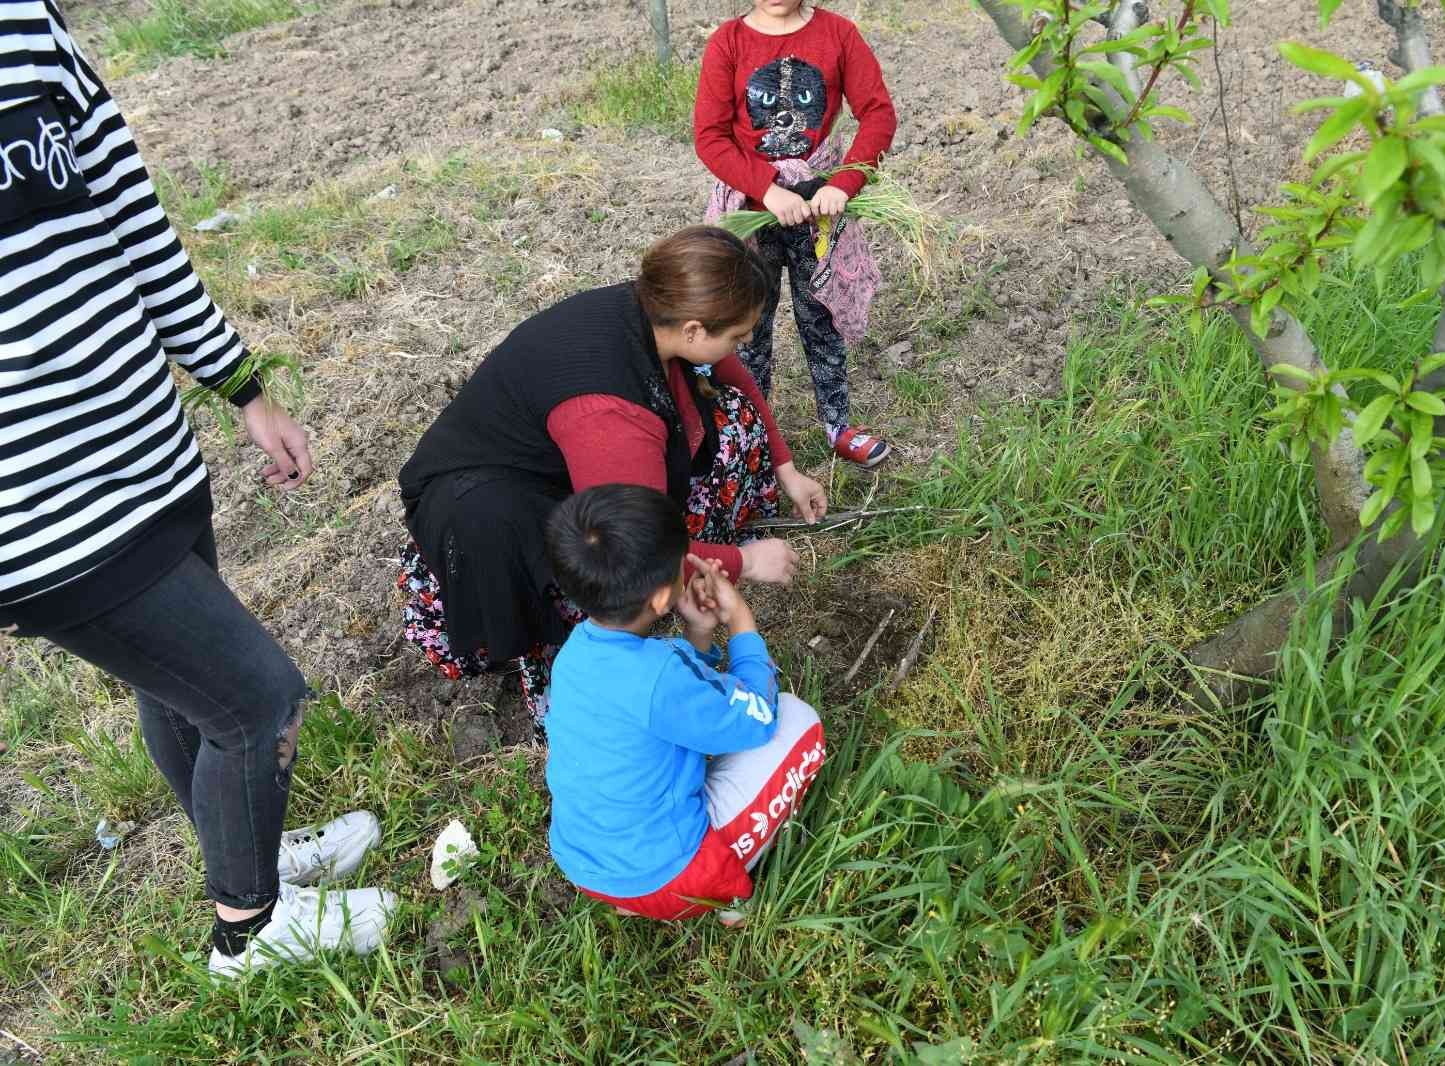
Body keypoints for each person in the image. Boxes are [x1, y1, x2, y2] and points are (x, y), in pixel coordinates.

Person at [0, 1, 393, 978]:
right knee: (259, 703)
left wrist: (240, 386)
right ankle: (248, 929)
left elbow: (130, 218)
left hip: (143, 440)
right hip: (34, 505)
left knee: (180, 691)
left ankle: (249, 855)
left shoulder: (25, 19)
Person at [395, 226, 828, 731]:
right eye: (738, 334)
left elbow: (731, 369)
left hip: (569, 462)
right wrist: (746, 562)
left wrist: (786, 467)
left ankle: (698, 545)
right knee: (598, 568)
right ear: (693, 330)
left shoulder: (652, 307)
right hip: (489, 513)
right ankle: (567, 686)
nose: (747, 342)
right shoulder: (611, 418)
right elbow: (633, 547)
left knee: (731, 418)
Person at [542, 484, 826, 921]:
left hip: (585, 863)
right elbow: (759, 716)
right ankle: (723, 893)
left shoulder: (572, 655)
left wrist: (698, 635)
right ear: (660, 598)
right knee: (798, 719)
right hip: (669, 878)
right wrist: (740, 621)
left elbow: (670, 704)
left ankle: (636, 897)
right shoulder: (661, 674)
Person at [695, 0, 898, 468]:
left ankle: (838, 425)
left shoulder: (839, 34)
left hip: (818, 206)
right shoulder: (728, 42)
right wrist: (766, 190)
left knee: (821, 315)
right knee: (747, 326)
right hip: (752, 211)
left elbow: (878, 113)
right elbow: (710, 135)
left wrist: (843, 183)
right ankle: (749, 434)